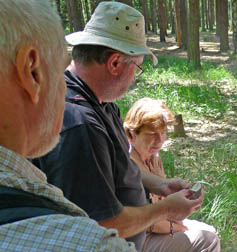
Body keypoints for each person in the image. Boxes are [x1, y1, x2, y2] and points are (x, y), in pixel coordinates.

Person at [32, 2, 203, 252]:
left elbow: (115, 167)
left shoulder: (102, 103)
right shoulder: (79, 123)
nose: (135, 78)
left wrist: (158, 184)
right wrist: (165, 209)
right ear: (114, 64)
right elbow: (99, 225)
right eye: (137, 68)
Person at [0, 0, 136, 251]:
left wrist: (158, 185)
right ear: (32, 72)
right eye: (61, 70)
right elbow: (103, 221)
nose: (65, 85)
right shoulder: (92, 245)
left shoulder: (107, 107)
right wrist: (167, 209)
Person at [123, 97, 220, 252]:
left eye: (163, 132)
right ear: (132, 133)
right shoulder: (126, 163)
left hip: (158, 225)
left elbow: (161, 201)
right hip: (136, 239)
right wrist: (179, 227)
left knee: (210, 232)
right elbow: (145, 222)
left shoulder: (153, 156)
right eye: (153, 134)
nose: (160, 140)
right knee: (208, 240)